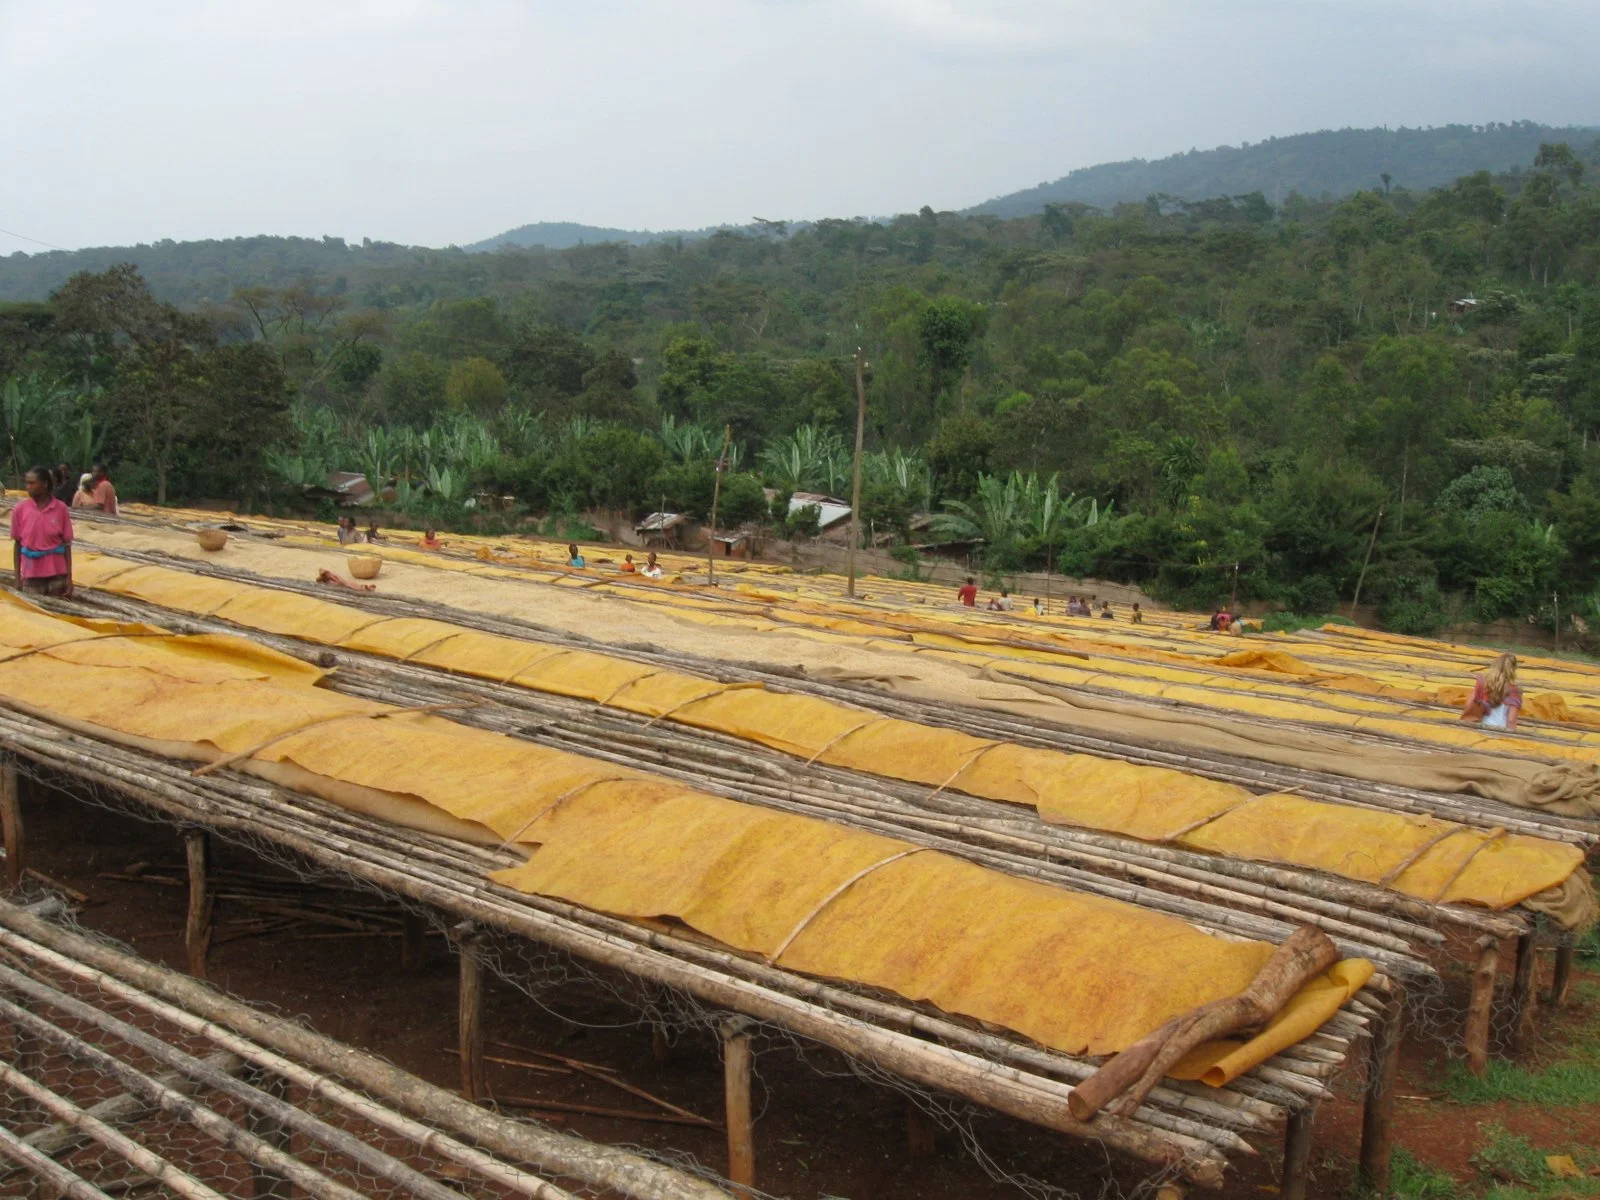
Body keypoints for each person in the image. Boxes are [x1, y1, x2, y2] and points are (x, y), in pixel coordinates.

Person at [11, 465, 73, 597]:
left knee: (56, 613)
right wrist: (17, 577)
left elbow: (66, 545)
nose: (28, 487)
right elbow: (17, 544)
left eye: (32, 483)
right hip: (31, 573)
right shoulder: (20, 509)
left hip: (57, 573)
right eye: (27, 483)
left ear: (45, 484)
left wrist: (69, 577)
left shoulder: (60, 509)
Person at [1461, 653, 1522, 731]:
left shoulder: (1483, 683)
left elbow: (1468, 703)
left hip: (1480, 727)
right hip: (1501, 731)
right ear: (1513, 669)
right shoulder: (1514, 691)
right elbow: (1511, 720)